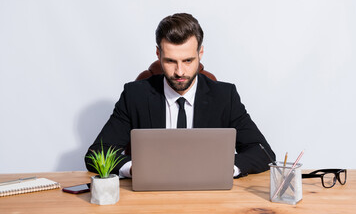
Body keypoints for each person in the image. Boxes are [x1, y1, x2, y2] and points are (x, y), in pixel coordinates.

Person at [85, 13, 275, 178]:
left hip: (210, 197)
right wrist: (135, 169)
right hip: (151, 197)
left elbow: (263, 152)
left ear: (200, 53)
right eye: (170, 61)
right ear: (158, 54)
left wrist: (225, 168)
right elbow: (97, 153)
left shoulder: (225, 96)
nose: (180, 72)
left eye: (188, 60)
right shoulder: (135, 96)